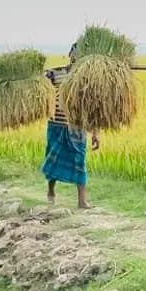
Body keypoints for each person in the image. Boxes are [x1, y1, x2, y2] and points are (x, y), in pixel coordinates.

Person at [42, 42, 99, 209]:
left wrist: (96, 133)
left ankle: (82, 201)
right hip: (56, 125)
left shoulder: (87, 79)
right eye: (75, 53)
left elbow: (94, 108)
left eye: (81, 54)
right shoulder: (56, 74)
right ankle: (51, 191)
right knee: (53, 159)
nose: (76, 56)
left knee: (79, 161)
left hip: (77, 127)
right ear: (70, 55)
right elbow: (40, 84)